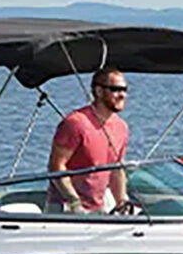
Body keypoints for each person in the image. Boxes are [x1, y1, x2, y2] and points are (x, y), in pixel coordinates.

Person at [46, 67, 130, 213]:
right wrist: (74, 202)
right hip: (65, 209)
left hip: (97, 209)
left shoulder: (121, 127)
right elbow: (56, 166)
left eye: (125, 90)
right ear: (99, 91)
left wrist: (121, 202)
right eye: (115, 89)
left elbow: (117, 170)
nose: (122, 95)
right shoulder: (75, 123)